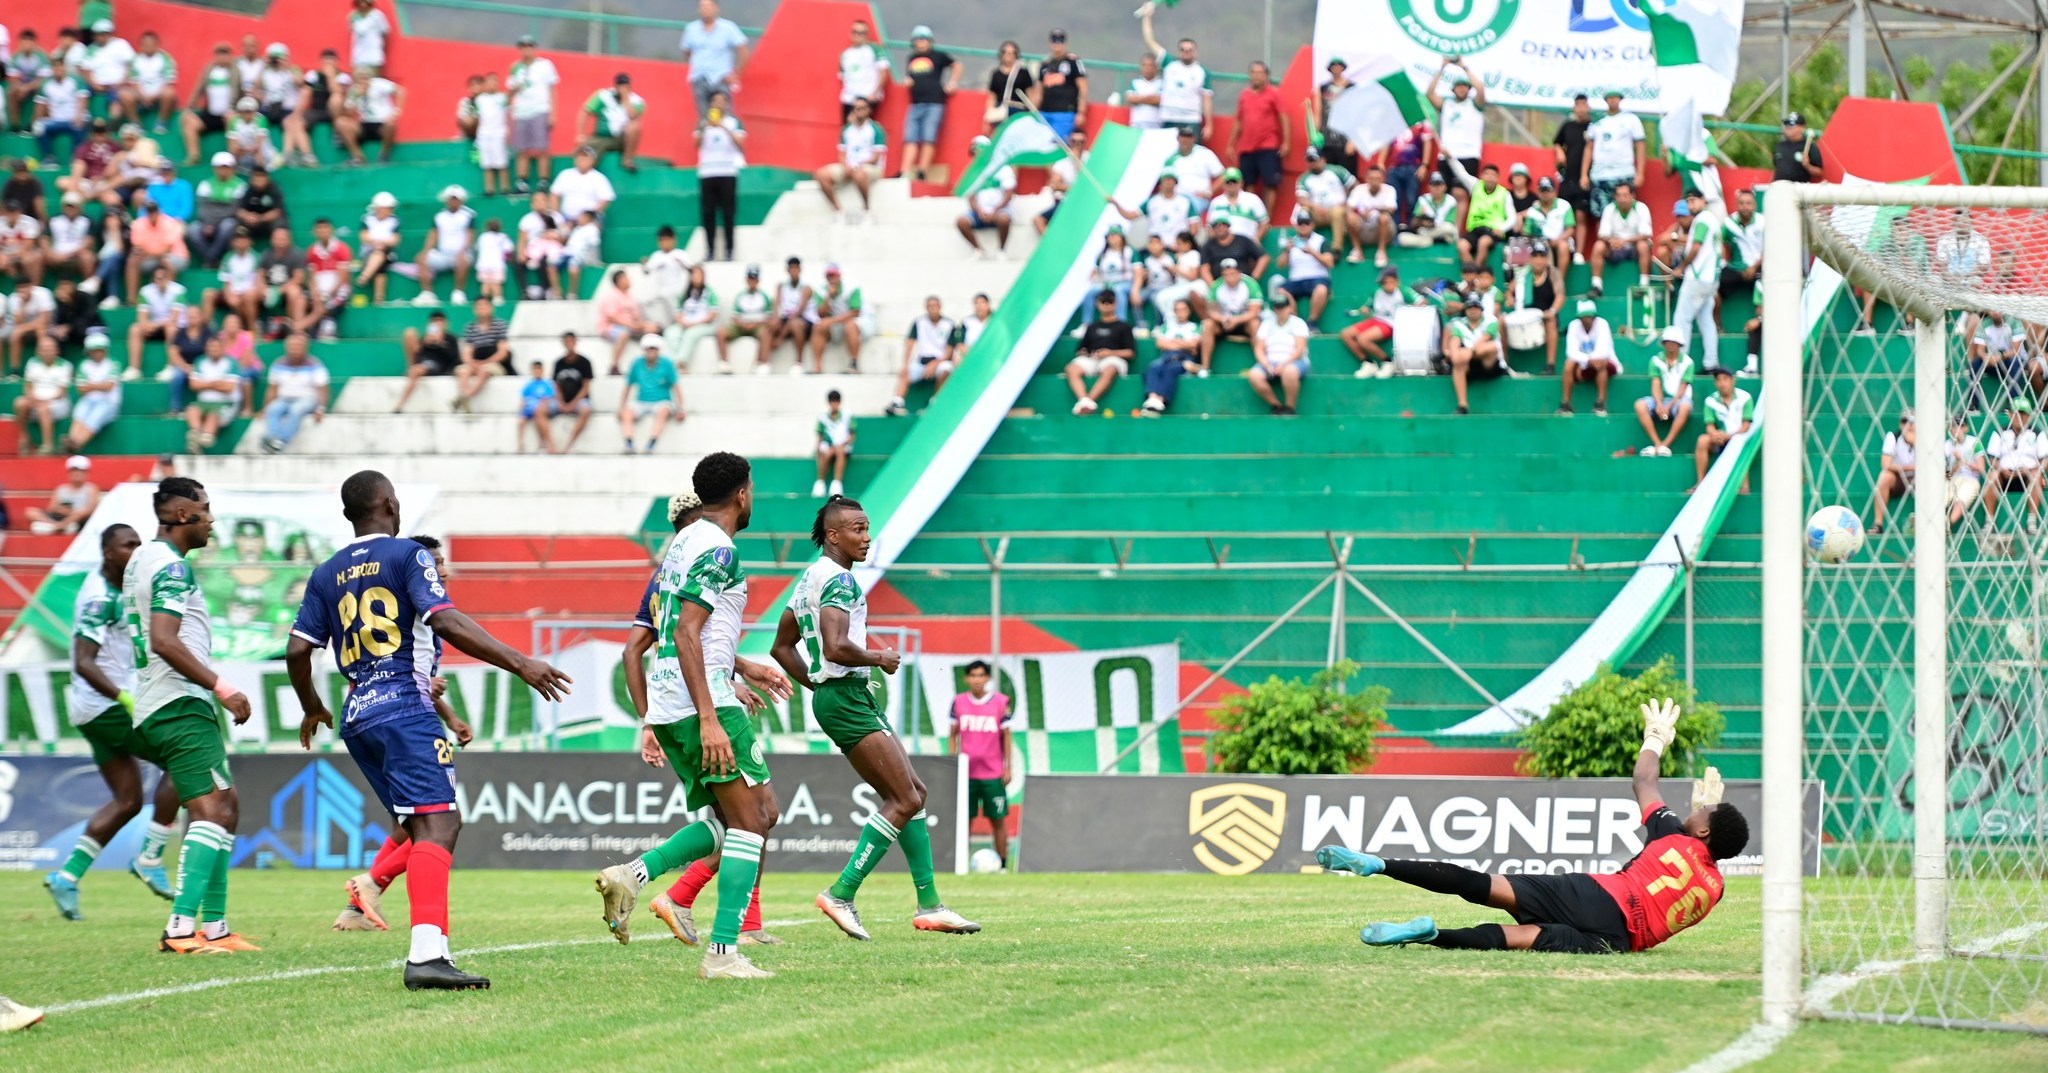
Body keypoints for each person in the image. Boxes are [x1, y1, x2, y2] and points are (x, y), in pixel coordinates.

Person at [289, 471, 568, 988]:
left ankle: (422, 941)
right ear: (391, 505)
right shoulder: (406, 555)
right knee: (440, 825)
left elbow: (297, 649)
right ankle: (425, 956)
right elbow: (445, 621)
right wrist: (520, 662)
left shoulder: (325, 573)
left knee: (423, 826)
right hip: (404, 707)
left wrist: (311, 706)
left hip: (358, 716)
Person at [1321, 698, 1746, 955]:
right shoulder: (1715, 888)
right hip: (1614, 941)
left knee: (1481, 884)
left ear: (1703, 831)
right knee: (1516, 938)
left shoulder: (1673, 834)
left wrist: (1655, 737)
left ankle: (1378, 864)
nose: (1696, 811)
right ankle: (1430, 936)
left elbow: (1644, 781)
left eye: (1703, 814)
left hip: (1598, 895)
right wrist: (1702, 818)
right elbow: (1683, 873)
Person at [596, 452, 786, 979]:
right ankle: (724, 953)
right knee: (752, 823)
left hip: (671, 700)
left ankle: (635, 875)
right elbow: (685, 632)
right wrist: (709, 715)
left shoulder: (682, 544)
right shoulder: (719, 549)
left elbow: (684, 627)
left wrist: (742, 667)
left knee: (758, 814)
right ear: (743, 494)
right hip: (702, 705)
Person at [769, 493, 980, 942]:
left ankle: (930, 905)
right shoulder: (839, 581)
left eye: (867, 528)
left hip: (839, 696)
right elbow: (835, 646)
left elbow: (781, 647)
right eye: (858, 529)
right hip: (846, 696)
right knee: (904, 799)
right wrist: (877, 658)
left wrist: (820, 686)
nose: (867, 537)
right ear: (833, 535)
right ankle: (841, 893)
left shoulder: (811, 576)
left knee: (913, 794)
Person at [125, 477, 258, 954]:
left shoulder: (143, 557)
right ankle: (181, 929)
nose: (212, 519)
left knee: (226, 804)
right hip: (178, 702)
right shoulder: (172, 569)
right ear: (183, 514)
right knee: (212, 809)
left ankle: (217, 927)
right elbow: (164, 639)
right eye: (205, 509)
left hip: (165, 700)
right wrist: (221, 686)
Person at [42, 522, 183, 920]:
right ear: (108, 552)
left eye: (140, 544)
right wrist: (123, 697)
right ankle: (151, 855)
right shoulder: (99, 598)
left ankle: (66, 877)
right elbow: (83, 661)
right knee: (181, 760)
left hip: (91, 710)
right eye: (128, 545)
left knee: (128, 801)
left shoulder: (120, 583)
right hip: (106, 707)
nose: (136, 550)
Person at [949, 660, 1013, 870]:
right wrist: (953, 764)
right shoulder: (958, 702)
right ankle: (961, 865)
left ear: (987, 679)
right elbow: (953, 735)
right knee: (963, 822)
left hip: (993, 774)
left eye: (981, 675)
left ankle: (1003, 865)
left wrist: (1008, 767)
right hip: (965, 774)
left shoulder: (1001, 702)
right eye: (973, 676)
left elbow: (1006, 738)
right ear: (966, 678)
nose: (977, 680)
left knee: (997, 820)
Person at [1671, 187, 1722, 367]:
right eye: (1689, 201)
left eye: (1694, 200)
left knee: (1681, 320)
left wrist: (1681, 267)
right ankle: (1711, 363)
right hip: (1711, 279)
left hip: (1698, 277)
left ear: (1703, 200)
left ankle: (1680, 364)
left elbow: (1695, 248)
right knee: (1706, 321)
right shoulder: (1712, 220)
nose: (1691, 204)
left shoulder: (1701, 220)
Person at [899, 27, 956, 182]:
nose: (920, 42)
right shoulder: (911, 58)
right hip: (915, 102)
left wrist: (952, 83)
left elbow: (956, 65)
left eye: (923, 39)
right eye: (917, 39)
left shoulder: (938, 56)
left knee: (928, 137)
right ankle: (904, 171)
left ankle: (922, 171)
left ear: (930, 40)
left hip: (935, 102)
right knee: (910, 137)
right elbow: (909, 76)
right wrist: (908, 81)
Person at [816, 96, 885, 223]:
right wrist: (846, 166)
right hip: (850, 166)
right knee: (821, 174)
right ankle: (838, 211)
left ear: (868, 110)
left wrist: (857, 165)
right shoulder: (846, 129)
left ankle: (867, 210)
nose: (859, 111)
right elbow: (842, 153)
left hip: (869, 167)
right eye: (856, 108)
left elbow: (876, 157)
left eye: (862, 108)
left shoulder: (876, 129)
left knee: (859, 174)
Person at [694, 90, 745, 262]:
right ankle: (710, 250)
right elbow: (696, 144)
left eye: (722, 101)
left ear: (727, 104)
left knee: (728, 214)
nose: (718, 104)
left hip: (727, 172)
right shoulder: (702, 123)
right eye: (715, 101)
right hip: (707, 172)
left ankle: (730, 250)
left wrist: (723, 126)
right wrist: (706, 126)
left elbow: (740, 142)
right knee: (708, 214)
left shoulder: (733, 122)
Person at [1066, 290, 1135, 415]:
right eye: (1103, 301)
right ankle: (1084, 400)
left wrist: (1110, 353)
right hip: (1092, 358)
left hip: (1113, 358)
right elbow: (1081, 349)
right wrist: (1084, 353)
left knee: (1110, 369)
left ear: (1115, 304)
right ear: (1097, 304)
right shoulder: (1092, 327)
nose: (1106, 305)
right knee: (1071, 368)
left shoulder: (1124, 326)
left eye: (1110, 301)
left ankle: (1090, 400)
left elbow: (1130, 352)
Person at [1341, 268, 1419, 378]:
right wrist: (1365, 309)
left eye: (1390, 281)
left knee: (1363, 339)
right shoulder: (1376, 292)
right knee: (1346, 334)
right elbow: (1368, 306)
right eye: (1384, 282)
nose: (1387, 285)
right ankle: (1368, 363)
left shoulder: (1404, 291)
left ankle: (1388, 362)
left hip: (1393, 323)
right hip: (1376, 320)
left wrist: (1413, 309)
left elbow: (1421, 302)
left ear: (1396, 281)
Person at [1230, 61, 1287, 210]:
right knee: (1248, 184)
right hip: (1246, 147)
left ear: (1266, 75)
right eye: (1253, 72)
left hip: (1268, 145)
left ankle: (1267, 219)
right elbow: (1238, 121)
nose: (1256, 76)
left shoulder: (1274, 93)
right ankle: (1252, 215)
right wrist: (1231, 144)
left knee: (1270, 183)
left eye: (1260, 73)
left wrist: (1287, 142)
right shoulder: (1244, 94)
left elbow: (1284, 117)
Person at [257, 333, 328, 453]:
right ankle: (273, 439)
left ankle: (281, 440)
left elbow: (323, 388)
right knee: (273, 409)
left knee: (296, 409)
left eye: (299, 346)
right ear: (287, 347)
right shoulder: (278, 364)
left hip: (307, 399)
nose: (296, 349)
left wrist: (320, 408)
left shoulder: (315, 364)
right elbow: (272, 389)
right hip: (284, 399)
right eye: (293, 346)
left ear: (306, 347)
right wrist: (265, 408)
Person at [890, 295, 960, 414]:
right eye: (929, 306)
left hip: (940, 361)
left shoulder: (949, 324)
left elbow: (949, 352)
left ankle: (935, 401)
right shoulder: (919, 322)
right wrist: (905, 364)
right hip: (922, 362)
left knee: (946, 370)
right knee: (906, 372)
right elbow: (910, 344)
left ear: (940, 307)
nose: (932, 309)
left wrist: (934, 363)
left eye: (935, 306)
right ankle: (897, 402)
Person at [506, 36, 559, 193]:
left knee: (542, 147)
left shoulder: (545, 65)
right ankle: (522, 181)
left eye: (529, 46)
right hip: (521, 111)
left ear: (535, 48)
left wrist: (553, 113)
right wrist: (516, 86)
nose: (526, 49)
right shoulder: (515, 67)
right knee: (522, 148)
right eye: (523, 46)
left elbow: (553, 89)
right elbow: (509, 93)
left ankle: (543, 181)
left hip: (540, 109)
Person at [1425, 60, 1485, 196]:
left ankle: (1456, 219)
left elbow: (1480, 88)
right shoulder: (1447, 104)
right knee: (1442, 192)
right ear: (1453, 89)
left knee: (1460, 193)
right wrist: (1442, 68)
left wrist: (1463, 66)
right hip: (1446, 153)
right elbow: (1429, 93)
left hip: (1468, 153)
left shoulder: (1475, 104)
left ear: (1469, 89)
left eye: (1465, 86)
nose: (1462, 88)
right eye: (1458, 86)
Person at [679, 0, 748, 119]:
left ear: (716, 8)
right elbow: (686, 51)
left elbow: (743, 49)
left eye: (709, 6)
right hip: (700, 77)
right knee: (704, 118)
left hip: (721, 78)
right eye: (702, 6)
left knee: (724, 116)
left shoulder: (728, 28)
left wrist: (737, 74)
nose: (706, 9)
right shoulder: (691, 29)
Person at [1584, 90, 1645, 222]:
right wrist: (1584, 174)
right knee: (1600, 215)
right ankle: (1602, 241)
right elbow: (1589, 148)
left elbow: (1640, 146)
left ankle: (1626, 242)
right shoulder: (1597, 121)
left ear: (1620, 99)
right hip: (1600, 174)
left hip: (1624, 173)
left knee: (1627, 214)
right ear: (1606, 100)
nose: (1612, 100)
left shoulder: (1631, 119)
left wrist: (1640, 173)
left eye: (1615, 98)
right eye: (1610, 98)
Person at [1632, 326, 1693, 455]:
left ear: (1679, 344)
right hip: (1661, 400)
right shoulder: (1655, 361)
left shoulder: (1688, 363)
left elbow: (1683, 388)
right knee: (1640, 405)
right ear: (1664, 343)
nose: (1670, 345)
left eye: (1674, 342)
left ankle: (1665, 445)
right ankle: (1658, 444)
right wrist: (1659, 404)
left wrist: (1669, 406)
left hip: (1679, 400)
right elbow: (1656, 384)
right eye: (1668, 342)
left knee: (1685, 407)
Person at [1693, 366, 1755, 492]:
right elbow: (1709, 425)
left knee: (1739, 441)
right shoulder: (1711, 401)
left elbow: (1746, 425)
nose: (1722, 383)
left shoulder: (1745, 398)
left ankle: (1744, 487)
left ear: (1733, 380)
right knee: (1702, 440)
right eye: (1719, 380)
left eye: (1725, 379)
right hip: (1720, 439)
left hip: (1739, 437)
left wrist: (1729, 436)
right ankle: (1700, 483)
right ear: (1715, 383)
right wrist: (1715, 435)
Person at [1249, 290, 1310, 416]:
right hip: (1270, 360)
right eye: (1277, 308)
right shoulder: (1267, 324)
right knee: (1254, 375)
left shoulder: (1298, 323)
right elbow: (1259, 348)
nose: (1280, 311)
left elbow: (1300, 349)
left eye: (1283, 307)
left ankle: (1290, 406)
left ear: (1289, 308)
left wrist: (1284, 364)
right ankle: (1276, 405)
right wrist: (1266, 364)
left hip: (1293, 360)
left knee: (1290, 372)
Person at [1140, 298, 1204, 414]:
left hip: (1184, 358)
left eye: (1183, 309)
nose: (1180, 313)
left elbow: (1193, 344)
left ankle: (1160, 400)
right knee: (1152, 367)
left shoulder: (1196, 326)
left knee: (1171, 369)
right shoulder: (1167, 326)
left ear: (1189, 311)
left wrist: (1172, 342)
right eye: (1177, 310)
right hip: (1166, 357)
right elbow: (1160, 343)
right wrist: (1184, 344)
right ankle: (1152, 398)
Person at [955, 135, 1015, 259]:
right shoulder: (972, 172)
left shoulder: (1003, 168)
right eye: (974, 152)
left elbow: (1009, 194)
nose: (976, 155)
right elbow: (970, 197)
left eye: (978, 151)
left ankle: (1001, 250)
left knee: (1004, 219)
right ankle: (978, 250)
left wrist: (995, 209)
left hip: (1000, 210)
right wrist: (979, 211)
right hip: (979, 212)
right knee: (961, 221)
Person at [1589, 181, 1653, 297]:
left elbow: (1646, 234)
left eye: (1625, 195)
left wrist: (1625, 241)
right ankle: (1596, 286)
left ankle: (1644, 284)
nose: (1622, 199)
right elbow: (1602, 234)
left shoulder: (1641, 208)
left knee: (1643, 245)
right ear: (1615, 196)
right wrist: (1612, 241)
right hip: (1615, 249)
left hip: (1634, 249)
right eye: (1619, 195)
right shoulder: (1610, 209)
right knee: (1599, 245)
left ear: (1632, 196)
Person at [620, 335, 682, 453]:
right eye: (649, 348)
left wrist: (680, 408)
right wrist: (621, 406)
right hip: (641, 401)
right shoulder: (637, 363)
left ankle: (652, 442)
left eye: (654, 348)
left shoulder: (667, 364)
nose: (651, 351)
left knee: (663, 411)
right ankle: (629, 443)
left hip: (662, 400)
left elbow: (676, 386)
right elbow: (628, 386)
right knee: (626, 412)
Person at [178, 44, 238, 166]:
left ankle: (232, 157)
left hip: (228, 113)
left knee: (232, 118)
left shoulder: (236, 70)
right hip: (210, 113)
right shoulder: (209, 69)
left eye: (225, 54)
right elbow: (198, 89)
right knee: (188, 120)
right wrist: (189, 108)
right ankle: (194, 155)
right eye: (219, 54)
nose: (222, 57)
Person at [1273, 210, 1333, 330]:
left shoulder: (1321, 241)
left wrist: (1312, 252)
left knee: (1321, 289)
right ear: (1296, 225)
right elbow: (1280, 265)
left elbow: (1329, 263)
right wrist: (1287, 250)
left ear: (1312, 224)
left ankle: (1312, 321)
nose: (1304, 226)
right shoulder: (1291, 242)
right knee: (1281, 291)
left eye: (1306, 223)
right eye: (1301, 223)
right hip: (1296, 280)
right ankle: (1297, 322)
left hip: (1317, 277)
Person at [1445, 298, 1506, 416]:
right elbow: (1454, 341)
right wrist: (1455, 355)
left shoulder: (1491, 321)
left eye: (1476, 308)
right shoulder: (1459, 324)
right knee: (1458, 360)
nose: (1473, 311)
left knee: (1489, 347)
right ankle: (1462, 405)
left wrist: (1470, 351)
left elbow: (1485, 339)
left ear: (1481, 310)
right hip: (1469, 365)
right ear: (1465, 310)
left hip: (1489, 364)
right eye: (1470, 308)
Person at [65, 330, 123, 452]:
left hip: (109, 402)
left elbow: (109, 387)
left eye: (100, 350)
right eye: (94, 350)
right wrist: (99, 386)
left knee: (95, 416)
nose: (97, 353)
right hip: (88, 400)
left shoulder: (113, 364)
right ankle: (71, 442)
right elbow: (81, 389)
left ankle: (76, 445)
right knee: (80, 414)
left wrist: (91, 386)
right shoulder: (83, 364)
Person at [13, 336, 72, 454]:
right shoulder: (32, 362)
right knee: (19, 403)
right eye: (44, 349)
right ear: (39, 351)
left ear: (57, 350)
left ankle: (47, 446)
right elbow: (28, 387)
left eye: (50, 348)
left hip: (57, 403)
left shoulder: (65, 365)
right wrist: (32, 398)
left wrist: (44, 401)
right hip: (35, 400)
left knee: (44, 408)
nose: (47, 352)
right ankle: (24, 439)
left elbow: (61, 392)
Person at [1513, 243, 1566, 374]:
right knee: (1502, 321)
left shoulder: (1553, 272)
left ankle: (1550, 364)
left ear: (1546, 258)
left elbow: (1560, 295)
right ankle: (1504, 364)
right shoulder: (1523, 273)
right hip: (1526, 316)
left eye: (1542, 256)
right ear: (1530, 259)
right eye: (1535, 256)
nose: (1538, 260)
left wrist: (1552, 311)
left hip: (1545, 315)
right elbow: (1509, 292)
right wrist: (1510, 299)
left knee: (1551, 320)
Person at [806, 263, 868, 373]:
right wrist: (828, 297)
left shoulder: (852, 287)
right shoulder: (822, 291)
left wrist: (831, 321)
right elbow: (821, 314)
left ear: (839, 275)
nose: (832, 278)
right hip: (839, 323)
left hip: (861, 321)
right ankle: (817, 366)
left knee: (850, 326)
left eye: (834, 275)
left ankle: (854, 364)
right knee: (818, 326)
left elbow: (855, 312)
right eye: (829, 275)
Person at [1293, 148, 1354, 259]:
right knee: (1304, 211)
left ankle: (1336, 249)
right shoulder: (1304, 178)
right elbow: (1301, 199)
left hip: (1338, 210)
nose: (1313, 163)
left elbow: (1354, 186)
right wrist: (1315, 207)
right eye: (1310, 160)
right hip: (1318, 213)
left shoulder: (1337, 171)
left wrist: (1347, 203)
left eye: (1315, 160)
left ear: (1323, 159)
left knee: (1337, 212)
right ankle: (1301, 245)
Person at [1201, 257, 1260, 370]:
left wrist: (1235, 320)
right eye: (1226, 274)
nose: (1229, 277)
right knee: (1207, 324)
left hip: (1244, 322)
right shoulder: (1216, 286)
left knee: (1255, 324)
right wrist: (1223, 319)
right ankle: (1205, 368)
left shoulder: (1250, 284)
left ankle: (1259, 364)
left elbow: (1254, 312)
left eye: (1232, 273)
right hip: (1223, 322)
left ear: (1239, 272)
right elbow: (1210, 311)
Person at [1553, 94, 1593, 257]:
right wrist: (1560, 152)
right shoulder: (1567, 126)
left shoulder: (1593, 127)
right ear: (1574, 107)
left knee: (1581, 215)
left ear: (1588, 107)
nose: (1581, 108)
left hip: (1584, 179)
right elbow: (1556, 142)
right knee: (1562, 215)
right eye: (1578, 104)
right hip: (1567, 178)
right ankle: (1562, 250)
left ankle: (1579, 253)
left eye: (1584, 104)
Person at [453, 297, 511, 412]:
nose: (482, 308)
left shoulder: (500, 325)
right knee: (463, 371)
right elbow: (467, 352)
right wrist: (472, 363)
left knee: (485, 371)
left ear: (491, 308)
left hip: (493, 362)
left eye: (485, 305)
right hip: (475, 361)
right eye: (479, 306)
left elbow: (502, 351)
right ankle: (465, 398)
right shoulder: (469, 328)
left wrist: (486, 362)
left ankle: (464, 397)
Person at [581, 72, 646, 173]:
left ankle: (627, 160)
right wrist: (580, 134)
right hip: (602, 136)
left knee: (634, 126)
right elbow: (585, 111)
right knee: (585, 153)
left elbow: (632, 115)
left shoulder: (637, 101)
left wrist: (625, 98)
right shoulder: (603, 95)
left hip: (622, 139)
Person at [395, 311, 458, 412]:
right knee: (410, 332)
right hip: (423, 363)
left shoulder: (451, 338)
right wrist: (424, 343)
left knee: (417, 370)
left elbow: (455, 358)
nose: (437, 324)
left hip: (439, 365)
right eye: (434, 321)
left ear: (446, 323)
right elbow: (419, 354)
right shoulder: (426, 337)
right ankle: (410, 367)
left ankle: (400, 404)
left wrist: (441, 343)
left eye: (440, 321)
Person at [1718, 187, 1764, 325]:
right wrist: (1723, 262)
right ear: (1737, 205)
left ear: (1754, 205)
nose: (1745, 206)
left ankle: (1760, 323)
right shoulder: (1728, 223)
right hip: (1736, 268)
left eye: (1748, 203)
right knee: (1712, 285)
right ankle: (1717, 324)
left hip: (1759, 268)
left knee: (1769, 284)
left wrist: (1755, 266)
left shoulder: (1763, 222)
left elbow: (1770, 249)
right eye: (1741, 203)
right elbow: (1719, 242)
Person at [33, 57, 91, 167]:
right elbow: (40, 105)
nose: (58, 69)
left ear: (65, 67)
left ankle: (76, 159)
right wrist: (36, 120)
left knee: (80, 124)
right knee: (38, 127)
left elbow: (83, 99)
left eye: (60, 66)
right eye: (55, 67)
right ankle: (49, 158)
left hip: (73, 118)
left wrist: (79, 115)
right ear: (52, 69)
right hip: (55, 120)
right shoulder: (45, 84)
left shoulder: (76, 80)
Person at [184, 335, 238, 452]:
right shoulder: (200, 361)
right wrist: (215, 384)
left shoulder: (231, 362)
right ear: (206, 348)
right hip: (203, 401)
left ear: (222, 348)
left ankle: (201, 439)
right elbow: (193, 385)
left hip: (224, 402)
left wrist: (205, 384)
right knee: (192, 409)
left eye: (216, 347)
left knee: (213, 416)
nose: (213, 349)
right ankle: (196, 434)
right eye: (211, 347)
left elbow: (229, 387)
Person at [1868, 410, 1916, 535]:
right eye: (1905, 421)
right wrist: (1912, 467)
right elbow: (1886, 464)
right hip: (1900, 478)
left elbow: (1931, 464)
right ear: (1900, 424)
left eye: (1912, 421)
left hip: (1920, 478)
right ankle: (1877, 524)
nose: (1908, 425)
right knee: (1884, 476)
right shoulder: (1894, 436)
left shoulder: (1925, 438)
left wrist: (1917, 443)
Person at [27, 454, 98, 537]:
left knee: (80, 512)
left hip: (80, 519)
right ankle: (57, 526)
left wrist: (72, 512)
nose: (77, 473)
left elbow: (90, 509)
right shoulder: (61, 489)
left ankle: (57, 527)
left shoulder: (91, 488)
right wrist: (61, 510)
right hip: (60, 516)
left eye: (80, 471)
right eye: (74, 471)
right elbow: (51, 508)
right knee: (30, 512)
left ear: (86, 473)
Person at [1036, 29, 1087, 140]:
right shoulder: (1045, 63)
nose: (1057, 44)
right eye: (1054, 41)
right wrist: (1034, 110)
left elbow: (1083, 88)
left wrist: (1081, 112)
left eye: (1061, 41)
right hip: (1045, 111)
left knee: (1057, 144)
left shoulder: (1073, 62)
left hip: (1064, 112)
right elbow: (1039, 90)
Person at [835, 19, 888, 124]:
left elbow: (884, 71)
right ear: (851, 33)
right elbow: (842, 76)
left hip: (867, 97)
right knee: (848, 132)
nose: (859, 35)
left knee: (863, 132)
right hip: (849, 99)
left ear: (867, 34)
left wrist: (874, 94)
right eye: (856, 32)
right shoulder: (845, 54)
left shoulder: (875, 49)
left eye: (862, 33)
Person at [668, 264, 720, 371]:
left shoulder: (710, 293)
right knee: (671, 333)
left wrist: (694, 323)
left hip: (704, 324)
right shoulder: (685, 294)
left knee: (690, 334)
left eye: (699, 274)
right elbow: (678, 313)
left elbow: (712, 315)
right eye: (694, 274)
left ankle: (682, 363)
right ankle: (675, 362)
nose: (696, 277)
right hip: (685, 323)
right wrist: (683, 322)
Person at [1458, 164, 1512, 267]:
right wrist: (1450, 157)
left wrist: (1502, 228)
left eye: (1493, 175)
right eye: (1487, 174)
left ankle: (1477, 271)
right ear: (1482, 176)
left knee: (1483, 242)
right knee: (1462, 245)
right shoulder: (1475, 186)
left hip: (1493, 230)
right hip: (1475, 229)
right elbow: (1461, 173)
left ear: (1497, 178)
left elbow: (1512, 217)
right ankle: (1472, 272)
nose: (1490, 177)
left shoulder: (1504, 193)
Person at [1344, 164, 1398, 268]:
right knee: (1350, 218)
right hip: (1364, 227)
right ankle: (1357, 250)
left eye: (1377, 178)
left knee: (1384, 218)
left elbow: (1392, 209)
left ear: (1382, 179)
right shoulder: (1359, 189)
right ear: (1367, 178)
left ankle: (1381, 252)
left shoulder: (1389, 189)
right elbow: (1348, 208)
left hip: (1383, 230)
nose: (1374, 181)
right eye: (1372, 178)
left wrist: (1374, 208)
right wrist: (1358, 214)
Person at [1163, 126, 1224, 214]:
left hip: (1198, 198)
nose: (1185, 140)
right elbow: (1165, 180)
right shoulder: (1171, 158)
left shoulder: (1204, 153)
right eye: (1183, 137)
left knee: (1186, 209)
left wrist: (1209, 192)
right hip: (1176, 197)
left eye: (1188, 137)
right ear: (1178, 138)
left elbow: (1223, 176)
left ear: (1194, 139)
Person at [767, 257, 813, 369]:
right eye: (791, 268)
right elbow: (776, 304)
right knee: (769, 325)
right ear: (787, 270)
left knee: (795, 324)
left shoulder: (806, 287)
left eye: (796, 268)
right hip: (786, 318)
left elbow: (799, 311)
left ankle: (799, 362)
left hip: (804, 320)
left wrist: (781, 337)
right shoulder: (781, 286)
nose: (793, 271)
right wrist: (775, 318)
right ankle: (763, 362)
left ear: (800, 269)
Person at [550, 144, 615, 223]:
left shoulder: (599, 178)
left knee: (589, 231)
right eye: (579, 157)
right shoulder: (565, 174)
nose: (581, 160)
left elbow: (605, 199)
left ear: (592, 160)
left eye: (585, 157)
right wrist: (557, 215)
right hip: (566, 218)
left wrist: (588, 216)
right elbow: (554, 194)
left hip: (589, 220)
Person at [1521, 177, 1576, 269]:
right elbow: (1527, 233)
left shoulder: (1564, 206)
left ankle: (1559, 281)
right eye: (1543, 190)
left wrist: (1557, 240)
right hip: (1540, 243)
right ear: (1538, 192)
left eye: (1548, 190)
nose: (1545, 194)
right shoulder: (1533, 210)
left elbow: (1570, 229)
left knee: (1563, 246)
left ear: (1554, 191)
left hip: (1560, 241)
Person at [4, 274, 52, 374]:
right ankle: (15, 369)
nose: (23, 291)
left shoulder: (43, 293)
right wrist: (22, 303)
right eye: (19, 288)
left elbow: (44, 319)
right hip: (25, 327)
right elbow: (18, 322)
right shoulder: (14, 298)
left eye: (25, 287)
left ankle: (39, 364)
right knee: (15, 334)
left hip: (48, 325)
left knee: (41, 330)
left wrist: (23, 328)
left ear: (31, 286)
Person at [1946, 413, 1987, 528]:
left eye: (1960, 426)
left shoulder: (1974, 442)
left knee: (1962, 498)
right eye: (1953, 426)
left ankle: (1948, 524)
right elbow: (1947, 473)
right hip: (1952, 479)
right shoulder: (1947, 445)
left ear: (1966, 428)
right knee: (1940, 496)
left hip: (1971, 479)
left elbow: (1981, 468)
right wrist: (1956, 464)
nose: (1956, 429)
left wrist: (1962, 461)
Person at [983, 40, 1035, 129]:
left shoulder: (1023, 73)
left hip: (1018, 110)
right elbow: (992, 97)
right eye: (1006, 53)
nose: (1008, 56)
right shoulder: (996, 74)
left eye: (1011, 53)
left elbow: (1030, 94)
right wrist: (987, 116)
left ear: (1016, 55)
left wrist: (1032, 113)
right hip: (1001, 110)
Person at [1200, 216, 1265, 282]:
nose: (1220, 229)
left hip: (1243, 282)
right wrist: (1213, 286)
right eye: (1216, 227)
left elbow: (1263, 258)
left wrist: (1253, 279)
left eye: (1223, 226)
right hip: (1219, 283)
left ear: (1228, 227)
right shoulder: (1208, 245)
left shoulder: (1243, 240)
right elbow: (1204, 268)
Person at [814, 389, 854, 496]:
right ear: (829, 403)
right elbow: (820, 435)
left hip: (843, 445)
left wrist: (843, 443)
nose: (834, 404)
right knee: (826, 453)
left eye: (836, 401)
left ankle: (836, 484)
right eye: (832, 401)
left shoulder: (847, 415)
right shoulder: (823, 417)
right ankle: (820, 483)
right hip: (828, 445)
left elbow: (852, 435)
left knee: (839, 450)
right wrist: (817, 448)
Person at [1094, 227, 1137, 323]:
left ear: (1122, 237)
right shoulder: (1102, 254)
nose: (1112, 238)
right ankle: (1086, 323)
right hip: (1106, 283)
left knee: (1118, 290)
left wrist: (1135, 289)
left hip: (1125, 282)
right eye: (1110, 236)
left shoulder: (1129, 251)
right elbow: (1097, 272)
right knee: (1091, 292)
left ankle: (1121, 322)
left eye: (1115, 235)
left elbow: (1138, 272)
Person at [1773, 111, 1823, 183]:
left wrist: (1808, 166)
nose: (1787, 127)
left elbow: (1819, 172)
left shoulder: (1809, 147)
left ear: (1802, 128)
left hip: (1798, 188)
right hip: (1779, 186)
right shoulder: (1780, 145)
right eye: (1786, 123)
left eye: (1791, 124)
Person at [349, 0, 392, 71]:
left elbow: (385, 31)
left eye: (365, 2)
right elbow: (353, 29)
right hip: (358, 58)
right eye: (360, 2)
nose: (363, 4)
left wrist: (381, 46)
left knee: (373, 81)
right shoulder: (354, 16)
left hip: (374, 58)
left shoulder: (377, 15)